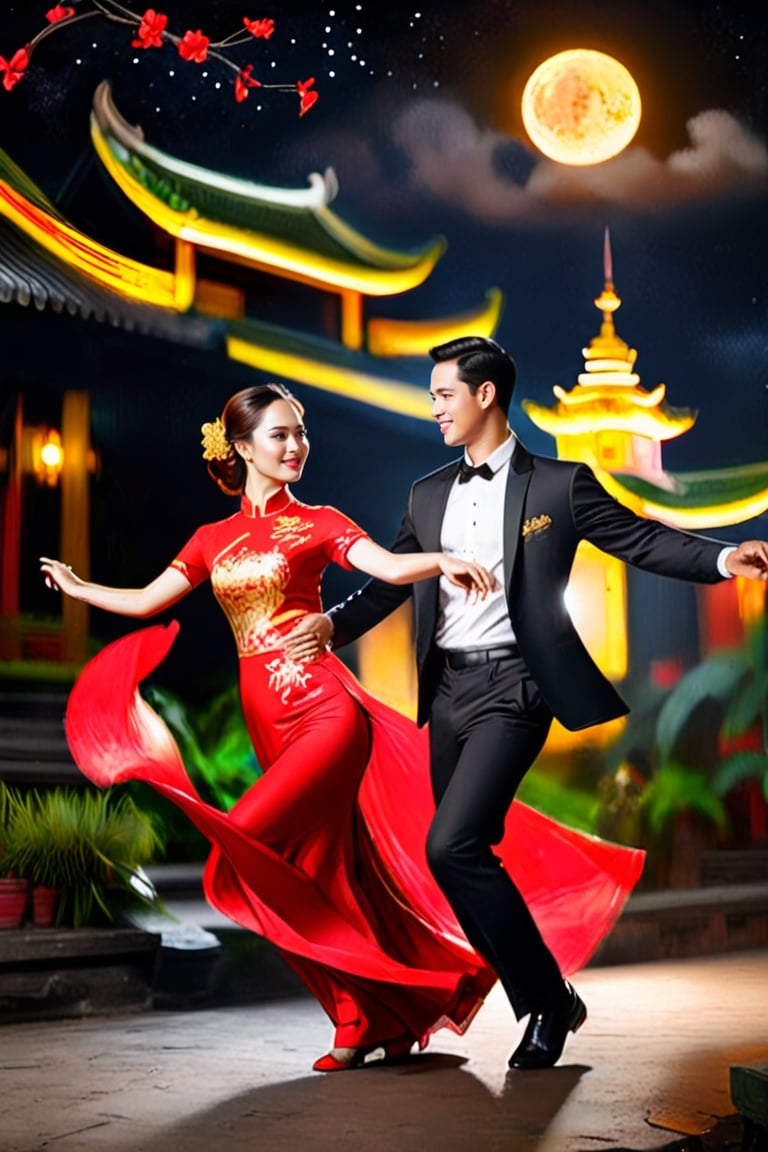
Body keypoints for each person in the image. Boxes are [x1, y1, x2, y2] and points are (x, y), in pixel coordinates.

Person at [284, 336, 768, 1072]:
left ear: (484, 395)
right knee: (457, 858)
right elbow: (386, 583)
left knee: (452, 843)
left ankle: (543, 1008)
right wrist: (331, 624)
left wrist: (721, 557)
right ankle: (554, 995)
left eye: (444, 392)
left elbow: (640, 540)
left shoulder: (559, 486)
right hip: (447, 691)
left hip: (517, 687)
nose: (434, 406)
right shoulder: (426, 494)